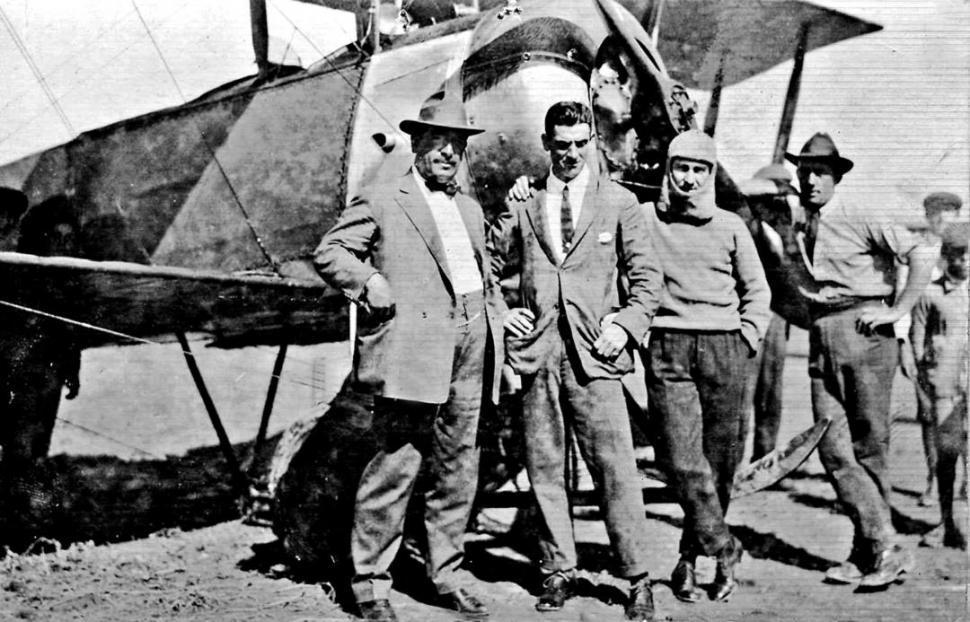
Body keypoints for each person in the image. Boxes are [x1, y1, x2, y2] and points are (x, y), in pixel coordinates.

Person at [313, 89, 502, 622]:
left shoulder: (468, 206)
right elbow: (330, 251)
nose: (448, 153)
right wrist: (368, 278)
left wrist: (499, 330)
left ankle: (446, 573)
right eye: (438, 141)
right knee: (396, 465)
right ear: (417, 143)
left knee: (458, 466)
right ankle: (369, 583)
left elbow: (483, 279)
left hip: (471, 346)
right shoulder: (382, 196)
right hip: (414, 349)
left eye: (457, 145)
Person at [488, 101, 663, 622]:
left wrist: (624, 325)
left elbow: (647, 282)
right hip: (540, 356)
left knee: (616, 471)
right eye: (559, 144)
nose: (568, 153)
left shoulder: (620, 203)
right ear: (546, 144)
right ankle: (557, 570)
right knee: (543, 469)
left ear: (592, 144)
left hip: (597, 359)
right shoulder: (523, 201)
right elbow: (489, 269)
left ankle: (637, 579)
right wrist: (502, 314)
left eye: (578, 144)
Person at [786, 132, 937, 588]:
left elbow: (923, 252)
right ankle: (877, 542)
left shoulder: (861, 211)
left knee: (870, 447)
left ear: (837, 177)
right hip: (823, 331)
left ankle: (876, 548)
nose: (811, 180)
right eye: (805, 172)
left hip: (865, 331)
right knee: (832, 446)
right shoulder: (802, 221)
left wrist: (899, 309)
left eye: (821, 173)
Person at [640, 130, 771, 603]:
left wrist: (747, 338)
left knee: (719, 463)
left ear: (711, 175)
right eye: (682, 168)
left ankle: (689, 560)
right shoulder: (643, 219)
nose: (690, 179)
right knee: (678, 459)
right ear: (668, 171)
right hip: (668, 348)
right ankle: (724, 545)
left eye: (699, 169)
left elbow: (758, 291)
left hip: (723, 348)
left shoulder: (731, 225)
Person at [0, 195, 82, 472]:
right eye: (56, 237)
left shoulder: (66, 280)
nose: (63, 245)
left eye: (68, 239)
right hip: (20, 372)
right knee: (19, 444)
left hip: (48, 373)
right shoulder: (20, 271)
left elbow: (69, 330)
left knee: (37, 443)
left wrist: (71, 369)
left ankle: (24, 491)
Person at [897, 192, 964, 506]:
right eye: (936, 213)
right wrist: (904, 347)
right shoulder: (916, 251)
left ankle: (965, 480)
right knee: (929, 415)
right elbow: (902, 302)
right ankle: (932, 479)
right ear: (927, 216)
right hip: (928, 350)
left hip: (961, 351)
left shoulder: (965, 250)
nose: (942, 220)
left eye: (950, 213)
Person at [911, 222, 969, 549]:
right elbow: (918, 341)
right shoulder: (930, 293)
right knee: (946, 454)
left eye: (968, 255)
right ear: (944, 257)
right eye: (955, 255)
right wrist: (926, 374)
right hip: (944, 386)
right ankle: (946, 523)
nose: (962, 262)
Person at [744, 164, 800, 462]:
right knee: (744, 390)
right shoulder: (745, 223)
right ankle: (731, 463)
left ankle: (763, 456)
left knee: (770, 391)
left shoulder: (784, 225)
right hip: (749, 313)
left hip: (776, 314)